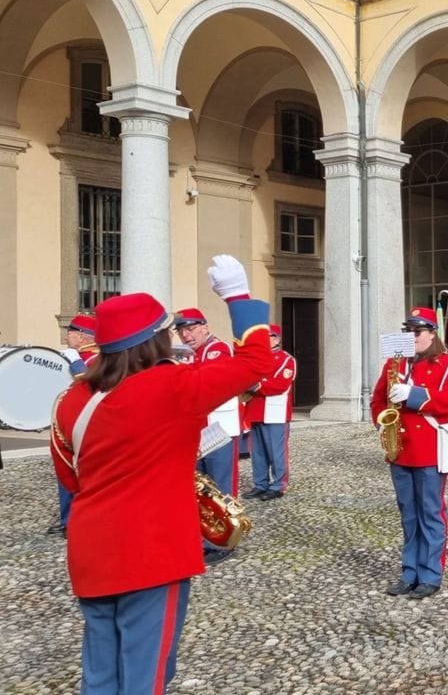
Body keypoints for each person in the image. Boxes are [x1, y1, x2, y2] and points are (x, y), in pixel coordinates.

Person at [48, 255, 274, 694]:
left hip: (92, 546)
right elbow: (254, 364)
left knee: (100, 671)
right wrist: (237, 296)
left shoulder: (72, 398)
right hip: (152, 551)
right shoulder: (173, 387)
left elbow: (70, 478)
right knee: (145, 675)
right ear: (152, 341)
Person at [371, 306, 448, 599]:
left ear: (432, 333)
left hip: (429, 450)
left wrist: (413, 395)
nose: (412, 337)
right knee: (408, 514)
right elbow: (377, 399)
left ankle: (430, 574)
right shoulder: (395, 364)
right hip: (400, 450)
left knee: (430, 513)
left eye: (417, 332)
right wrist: (380, 423)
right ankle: (409, 572)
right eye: (409, 332)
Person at [174, 307, 242, 564]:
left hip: (219, 428)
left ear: (204, 326)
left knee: (221, 486)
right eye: (181, 331)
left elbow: (204, 381)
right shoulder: (190, 354)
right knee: (200, 487)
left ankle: (224, 541)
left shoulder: (218, 349)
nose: (186, 335)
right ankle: (204, 536)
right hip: (198, 428)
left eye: (190, 329)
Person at [47, 314, 100, 536]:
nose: (67, 336)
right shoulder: (74, 357)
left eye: (70, 332)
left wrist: (75, 362)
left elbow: (89, 380)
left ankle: (79, 520)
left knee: (82, 474)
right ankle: (67, 517)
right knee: (64, 471)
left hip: (86, 426)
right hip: (66, 425)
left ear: (81, 336)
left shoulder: (95, 358)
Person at [242, 324, 296, 501]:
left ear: (276, 339)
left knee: (276, 452)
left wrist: (258, 384)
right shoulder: (257, 358)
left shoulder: (286, 359)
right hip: (256, 410)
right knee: (257, 452)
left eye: (268, 336)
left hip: (275, 412)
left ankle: (278, 485)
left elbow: (280, 383)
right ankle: (260, 484)